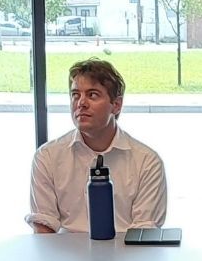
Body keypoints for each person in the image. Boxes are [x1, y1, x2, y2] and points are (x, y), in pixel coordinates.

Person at [27, 58, 167, 234]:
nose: (81, 103)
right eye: (75, 94)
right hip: (65, 258)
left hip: (127, 258)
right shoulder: (47, 156)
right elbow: (43, 228)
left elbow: (144, 234)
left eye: (92, 95)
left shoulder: (147, 162)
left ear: (116, 105)